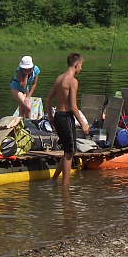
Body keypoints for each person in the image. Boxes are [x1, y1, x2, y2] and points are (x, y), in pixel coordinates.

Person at [45, 52, 89, 186]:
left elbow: (48, 99)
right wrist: (83, 124)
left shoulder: (59, 78)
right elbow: (73, 106)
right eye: (81, 65)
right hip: (66, 117)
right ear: (76, 65)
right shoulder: (73, 81)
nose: (81, 68)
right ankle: (65, 187)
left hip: (58, 116)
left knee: (68, 151)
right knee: (70, 153)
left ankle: (53, 180)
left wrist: (51, 118)